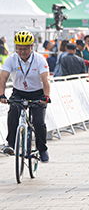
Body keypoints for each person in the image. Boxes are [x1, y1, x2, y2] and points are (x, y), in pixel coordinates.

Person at [0, 31, 51, 162]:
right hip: (19, 93)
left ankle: (42, 149)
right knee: (12, 114)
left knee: (39, 122)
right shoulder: (12, 58)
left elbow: (45, 80)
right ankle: (10, 144)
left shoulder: (39, 59)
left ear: (31, 47)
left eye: (25, 49)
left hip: (37, 93)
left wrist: (46, 97)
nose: (22, 52)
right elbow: (3, 78)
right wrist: (2, 95)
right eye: (19, 49)